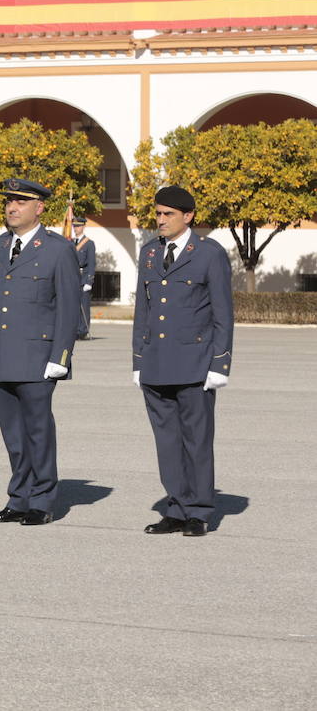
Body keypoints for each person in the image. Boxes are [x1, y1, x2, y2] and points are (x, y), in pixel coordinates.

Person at [0, 178, 79, 525]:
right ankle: (18, 499)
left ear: (39, 208)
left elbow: (68, 307)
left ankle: (43, 500)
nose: (12, 207)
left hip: (38, 358)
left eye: (21, 202)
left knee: (38, 432)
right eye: (9, 201)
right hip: (2, 355)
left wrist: (60, 357)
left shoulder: (57, 249)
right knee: (14, 436)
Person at [134, 185, 233, 537]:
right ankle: (176, 507)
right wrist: (138, 361)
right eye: (158, 214)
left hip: (195, 364)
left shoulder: (208, 254)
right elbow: (142, 311)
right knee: (167, 440)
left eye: (168, 215)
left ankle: (200, 510)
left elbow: (223, 314)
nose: (160, 220)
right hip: (157, 363)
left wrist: (220, 365)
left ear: (188, 216)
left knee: (197, 440)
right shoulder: (148, 254)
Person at [71, 215, 96, 340]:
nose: (76, 228)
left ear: (83, 226)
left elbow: (92, 263)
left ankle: (83, 330)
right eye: (74, 226)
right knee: (73, 305)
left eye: (78, 226)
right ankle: (74, 329)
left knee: (84, 306)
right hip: (72, 278)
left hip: (83, 277)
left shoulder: (89, 244)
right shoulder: (70, 242)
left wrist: (89, 281)